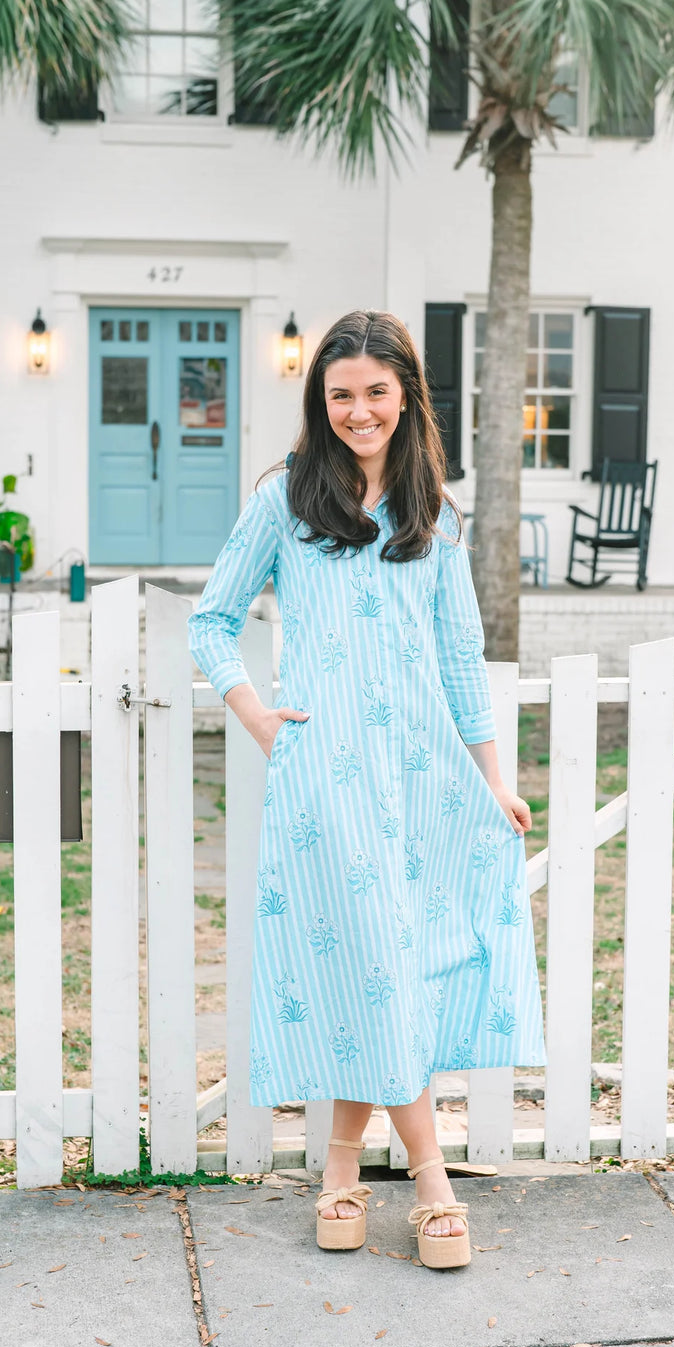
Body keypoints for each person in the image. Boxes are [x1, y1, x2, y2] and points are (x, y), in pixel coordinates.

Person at [188, 308, 545, 1269]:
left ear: (405, 397)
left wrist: (492, 786)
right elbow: (212, 623)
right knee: (378, 956)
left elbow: (461, 658)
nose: (359, 411)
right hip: (329, 778)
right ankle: (432, 1183)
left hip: (425, 776)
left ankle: (340, 1164)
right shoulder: (283, 503)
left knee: (382, 962)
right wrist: (260, 719)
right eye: (340, 394)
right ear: (320, 400)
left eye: (375, 392)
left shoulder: (435, 514)